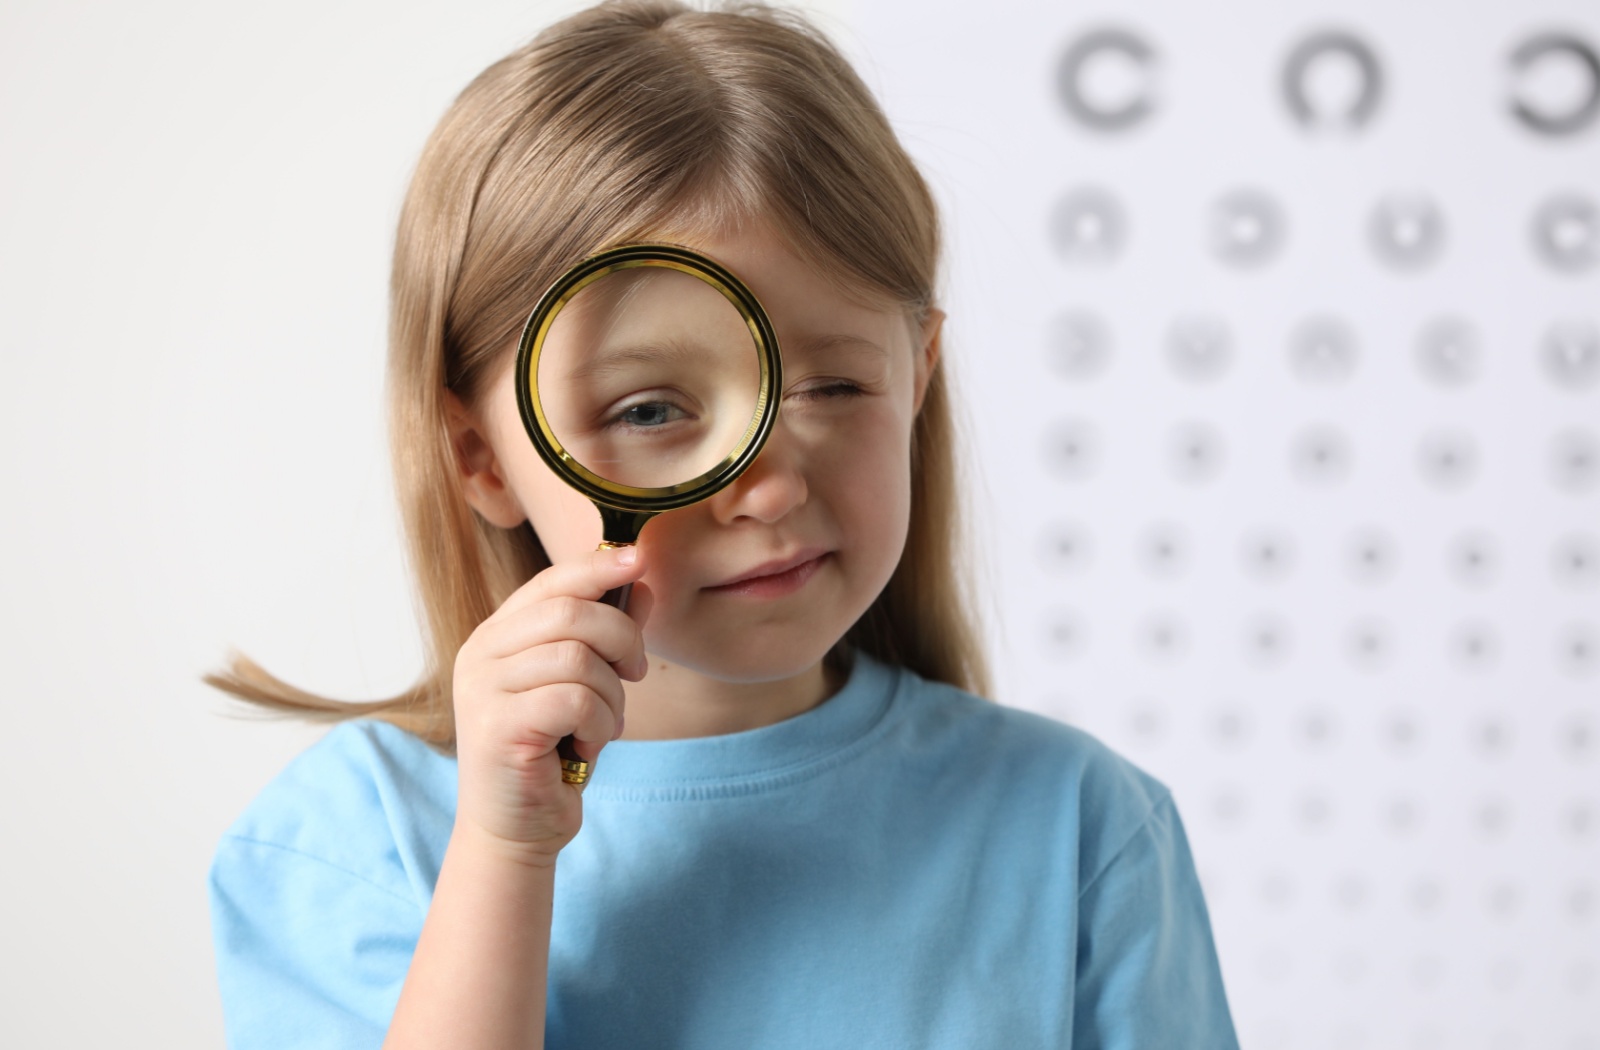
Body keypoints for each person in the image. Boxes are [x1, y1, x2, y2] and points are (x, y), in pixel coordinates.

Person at [205, 2, 1241, 1047]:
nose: (772, 488)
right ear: (479, 457)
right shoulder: (346, 844)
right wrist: (503, 855)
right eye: (648, 411)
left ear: (917, 375)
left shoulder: (1079, 828)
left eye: (836, 385)